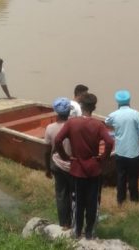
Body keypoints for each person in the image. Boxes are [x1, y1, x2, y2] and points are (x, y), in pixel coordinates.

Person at [55, 93, 114, 239]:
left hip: (77, 169)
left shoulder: (71, 123)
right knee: (93, 203)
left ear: (80, 107)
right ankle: (90, 233)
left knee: (77, 202)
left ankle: (77, 231)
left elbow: (57, 140)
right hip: (94, 169)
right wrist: (103, 158)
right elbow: (110, 142)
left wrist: (65, 157)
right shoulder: (98, 125)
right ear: (94, 107)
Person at [105, 90, 139, 205]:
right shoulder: (135, 114)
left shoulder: (113, 115)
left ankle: (121, 200)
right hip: (134, 152)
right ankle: (134, 200)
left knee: (120, 177)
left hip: (120, 152)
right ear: (129, 101)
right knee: (133, 177)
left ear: (117, 102)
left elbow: (107, 121)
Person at [44, 97, 72, 228]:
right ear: (69, 112)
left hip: (57, 164)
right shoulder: (74, 126)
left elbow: (46, 151)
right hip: (72, 166)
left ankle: (63, 224)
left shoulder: (50, 128)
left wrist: (47, 169)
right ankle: (75, 223)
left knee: (61, 195)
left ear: (56, 112)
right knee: (74, 195)